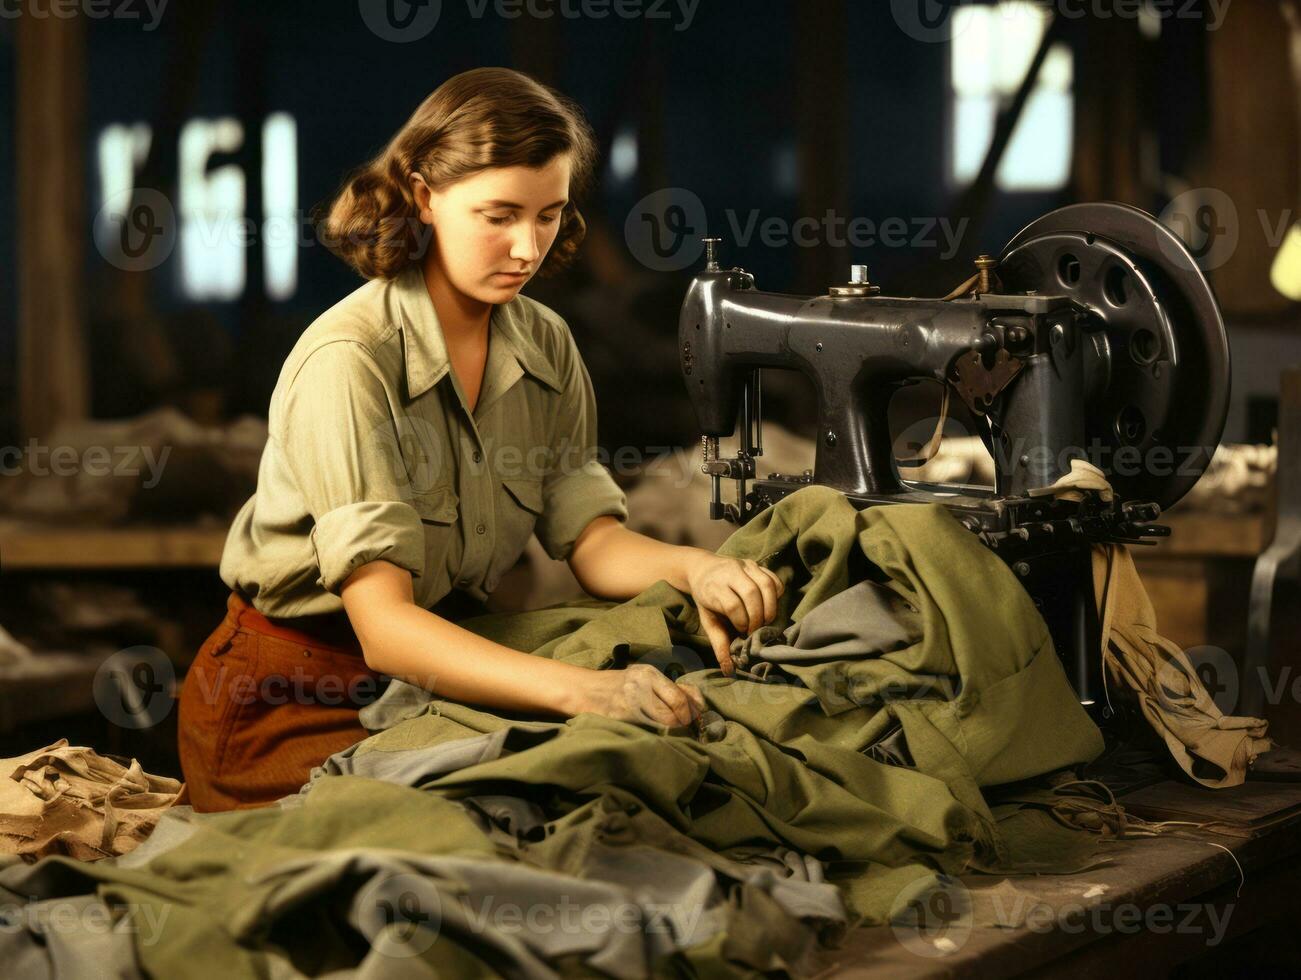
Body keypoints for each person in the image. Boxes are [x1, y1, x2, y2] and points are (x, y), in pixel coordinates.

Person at [177, 67, 783, 812]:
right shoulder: (351, 360)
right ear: (423, 195)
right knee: (498, 825)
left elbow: (590, 541)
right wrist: (584, 691)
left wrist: (696, 568)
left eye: (548, 215)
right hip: (291, 701)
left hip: (429, 677)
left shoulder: (545, 344)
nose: (527, 248)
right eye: (498, 215)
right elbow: (388, 630)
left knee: (652, 753)